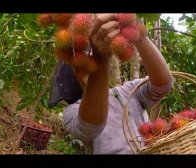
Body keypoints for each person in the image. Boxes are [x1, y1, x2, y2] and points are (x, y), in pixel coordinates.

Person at [52, 14, 174, 154]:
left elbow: (163, 85)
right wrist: (101, 59)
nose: (87, 70)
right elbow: (91, 126)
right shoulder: (72, 111)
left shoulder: (125, 92)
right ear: (73, 76)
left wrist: (136, 33)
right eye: (81, 67)